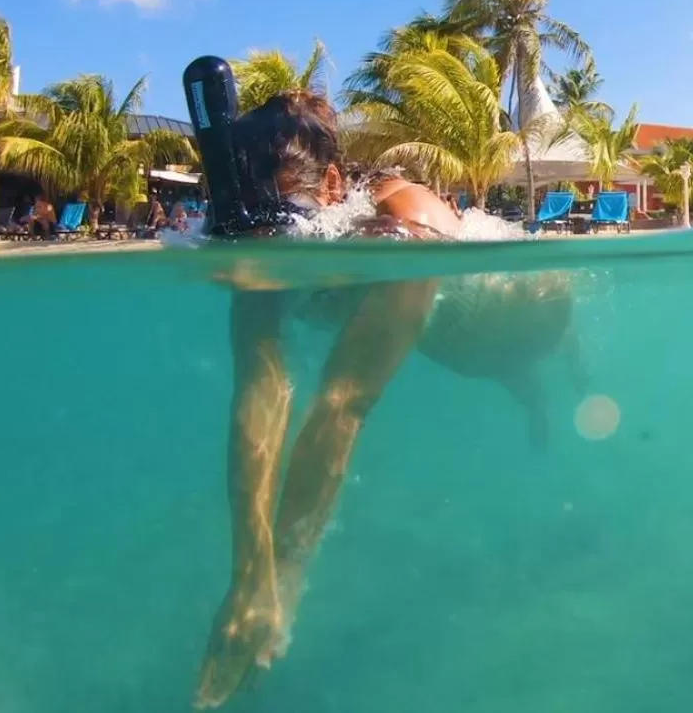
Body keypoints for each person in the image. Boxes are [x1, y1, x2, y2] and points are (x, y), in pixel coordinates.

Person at [194, 91, 587, 709]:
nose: (267, 236)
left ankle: (559, 371)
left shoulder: (401, 230)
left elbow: (341, 407)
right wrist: (248, 577)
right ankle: (527, 383)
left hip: (520, 311)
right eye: (254, 220)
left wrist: (285, 582)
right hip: (442, 339)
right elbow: (261, 391)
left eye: (279, 216)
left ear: (330, 186)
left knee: (512, 359)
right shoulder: (260, 229)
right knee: (475, 366)